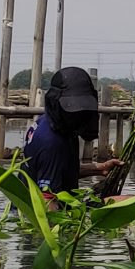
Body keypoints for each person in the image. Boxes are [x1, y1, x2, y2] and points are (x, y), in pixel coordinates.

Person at [22, 66, 124, 197]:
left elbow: (56, 169)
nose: (78, 114)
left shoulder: (55, 125)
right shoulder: (52, 143)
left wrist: (98, 168)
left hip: (51, 206)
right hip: (40, 213)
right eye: (72, 108)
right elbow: (48, 206)